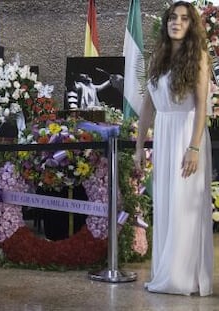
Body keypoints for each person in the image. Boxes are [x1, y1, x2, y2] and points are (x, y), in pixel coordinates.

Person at [134, 1, 213, 296]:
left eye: (183, 19)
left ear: (191, 25)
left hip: (187, 135)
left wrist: (194, 147)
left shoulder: (199, 57)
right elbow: (147, 105)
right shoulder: (159, 57)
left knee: (184, 206)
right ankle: (166, 271)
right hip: (164, 136)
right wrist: (140, 146)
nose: (176, 22)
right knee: (166, 204)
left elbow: (202, 105)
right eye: (172, 18)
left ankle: (182, 278)